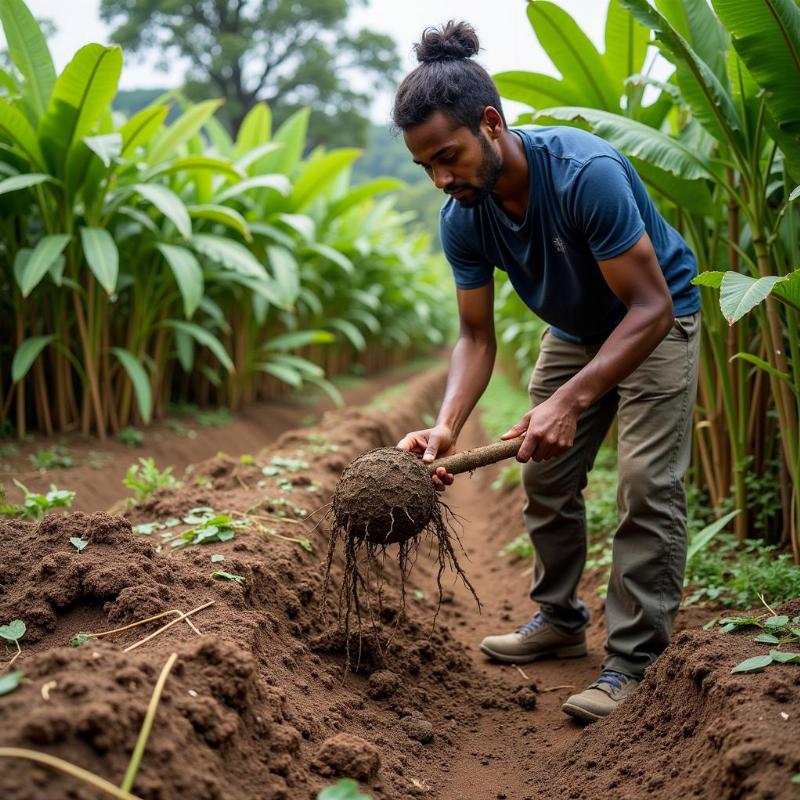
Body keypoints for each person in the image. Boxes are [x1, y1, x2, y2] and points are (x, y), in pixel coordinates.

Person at [392, 20, 700, 723]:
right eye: (426, 167)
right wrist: (445, 427)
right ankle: (559, 619)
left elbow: (649, 307)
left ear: (491, 125)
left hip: (658, 318)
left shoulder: (584, 175)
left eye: (448, 156)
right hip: (576, 328)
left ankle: (634, 663)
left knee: (647, 482)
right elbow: (475, 334)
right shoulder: (463, 216)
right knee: (544, 472)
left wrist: (574, 397)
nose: (442, 178)